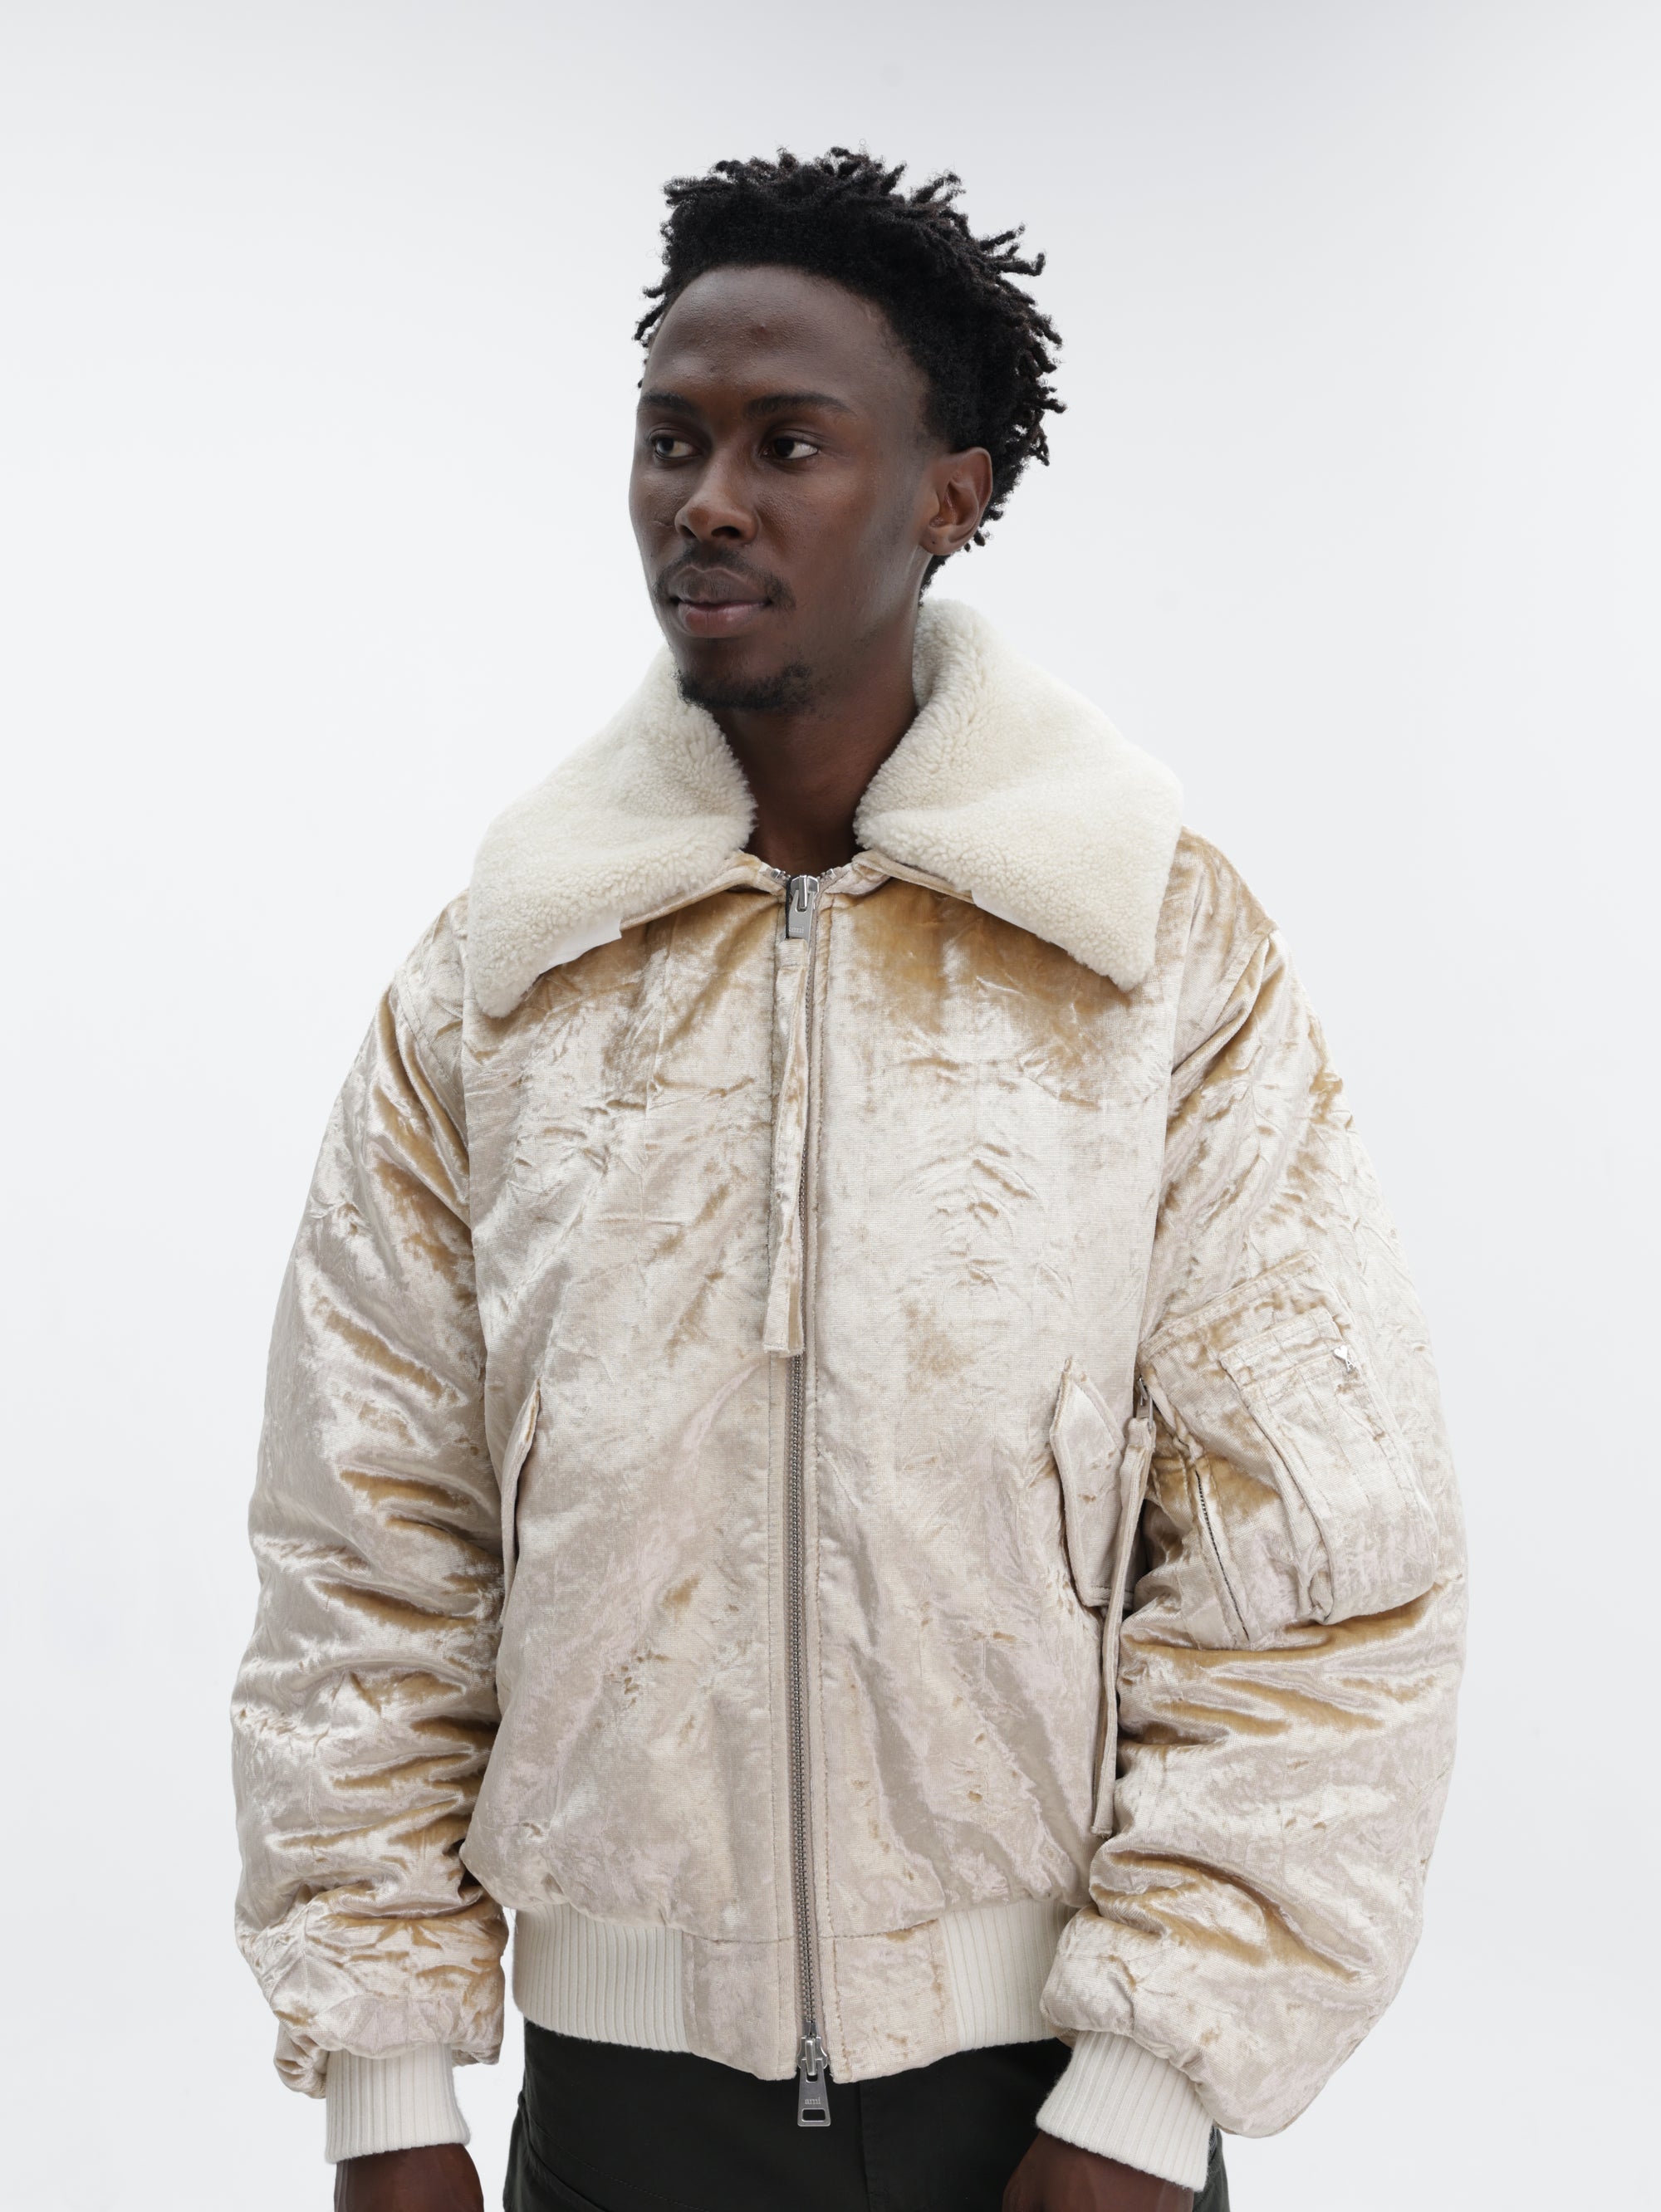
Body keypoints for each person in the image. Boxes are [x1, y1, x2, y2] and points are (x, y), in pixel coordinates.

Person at [233, 149, 1465, 2212]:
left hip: (1051, 2100)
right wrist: (382, 2085)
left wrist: (1150, 2085)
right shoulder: (502, 982)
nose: (707, 501)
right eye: (672, 441)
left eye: (787, 445)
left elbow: (1319, 1546)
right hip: (618, 2111)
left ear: (948, 496)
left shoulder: (1148, 954)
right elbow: (365, 1543)